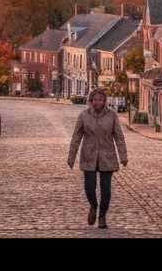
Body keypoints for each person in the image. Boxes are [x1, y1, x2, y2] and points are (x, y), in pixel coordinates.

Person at [67, 87, 128, 229]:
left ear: (105, 101)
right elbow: (76, 137)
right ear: (91, 101)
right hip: (89, 155)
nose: (97, 102)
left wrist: (123, 156)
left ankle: (102, 215)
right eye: (95, 99)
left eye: (100, 100)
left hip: (107, 156)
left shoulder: (112, 116)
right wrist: (71, 157)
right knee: (89, 187)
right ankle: (93, 205)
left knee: (106, 189)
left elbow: (119, 137)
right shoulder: (84, 115)